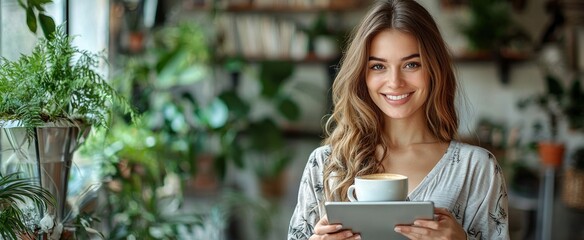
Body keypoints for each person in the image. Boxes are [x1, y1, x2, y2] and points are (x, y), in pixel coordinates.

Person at [287, 0, 509, 239]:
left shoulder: (475, 169)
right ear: (362, 74)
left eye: (411, 64)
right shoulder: (325, 165)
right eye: (378, 66)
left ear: (434, 70)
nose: (395, 82)